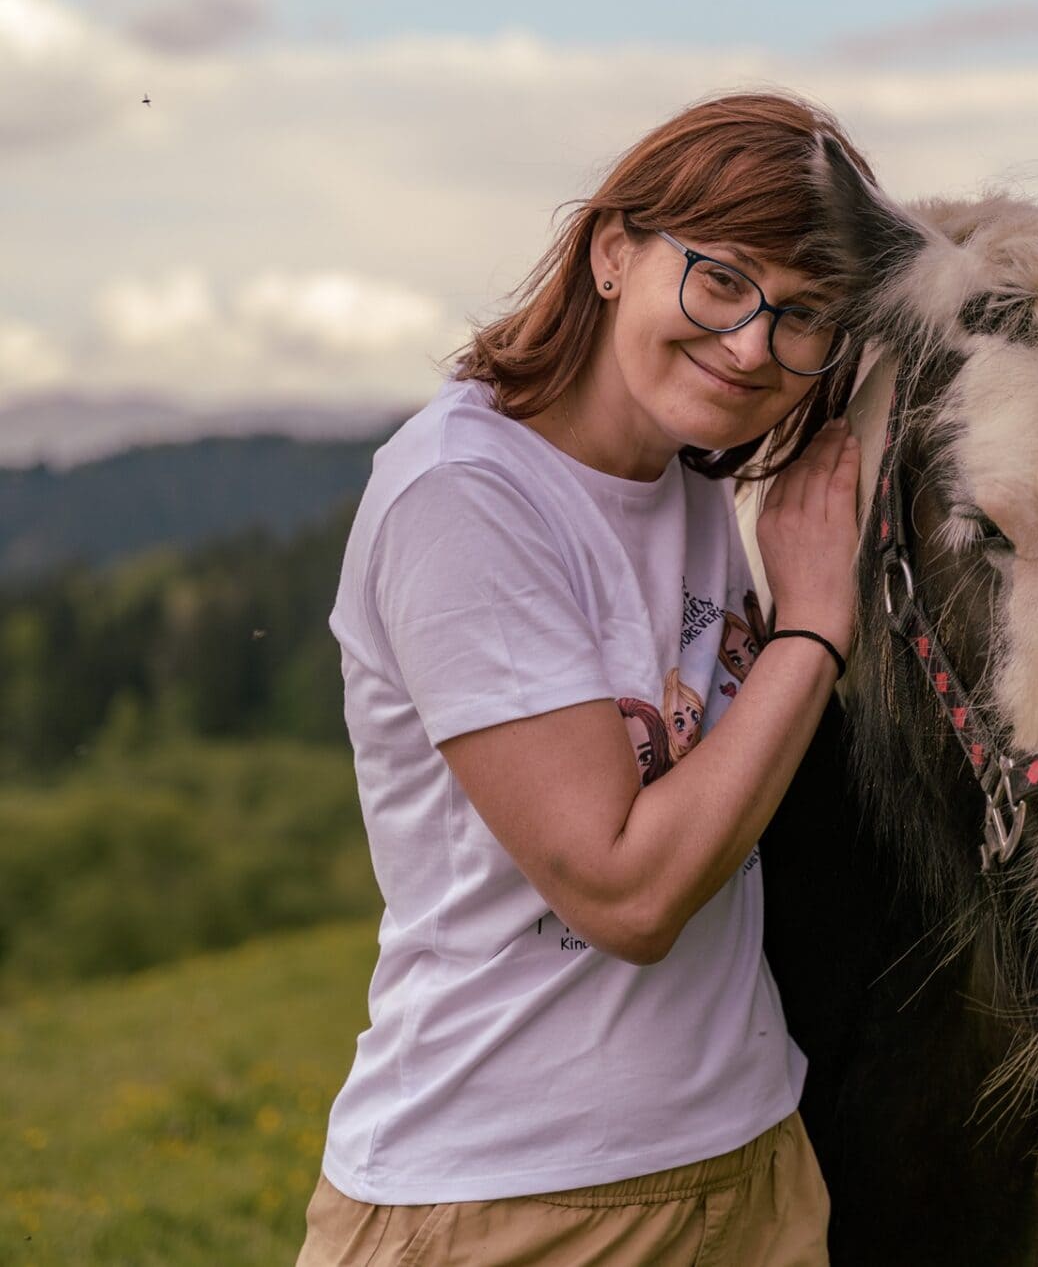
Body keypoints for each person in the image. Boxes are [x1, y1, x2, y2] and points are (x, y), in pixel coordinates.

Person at [296, 90, 869, 1267]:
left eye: (804, 314)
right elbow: (625, 896)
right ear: (613, 253)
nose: (753, 343)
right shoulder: (465, 496)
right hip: (510, 1199)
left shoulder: (695, 488)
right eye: (720, 279)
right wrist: (811, 632)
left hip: (755, 1168)